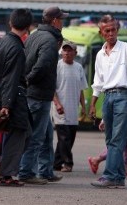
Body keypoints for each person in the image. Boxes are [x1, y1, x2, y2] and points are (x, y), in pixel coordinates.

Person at [89, 14, 127, 189]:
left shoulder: (125, 48)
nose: (111, 33)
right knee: (110, 139)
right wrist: (93, 103)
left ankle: (110, 176)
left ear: (117, 30)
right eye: (107, 30)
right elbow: (98, 81)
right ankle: (119, 177)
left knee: (117, 139)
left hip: (123, 96)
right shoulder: (100, 54)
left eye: (114, 29)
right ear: (101, 32)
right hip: (107, 98)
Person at [18, 6, 66, 185]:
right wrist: (29, 80)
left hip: (36, 94)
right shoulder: (49, 40)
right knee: (36, 136)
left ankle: (45, 170)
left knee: (46, 135)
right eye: (61, 19)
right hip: (39, 95)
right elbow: (42, 66)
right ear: (54, 21)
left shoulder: (35, 36)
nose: (63, 23)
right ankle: (26, 172)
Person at [0, 8, 33, 187]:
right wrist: (6, 103)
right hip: (14, 96)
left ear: (10, 23)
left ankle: (5, 165)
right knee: (21, 132)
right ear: (28, 27)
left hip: (1, 93)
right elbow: (11, 77)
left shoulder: (1, 42)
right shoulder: (16, 48)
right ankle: (6, 174)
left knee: (25, 131)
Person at [52, 41, 88, 173]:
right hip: (60, 109)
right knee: (64, 137)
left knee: (69, 138)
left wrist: (83, 107)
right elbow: (52, 88)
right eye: (64, 50)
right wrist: (57, 103)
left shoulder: (78, 67)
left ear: (75, 53)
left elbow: (81, 89)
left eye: (70, 50)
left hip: (73, 109)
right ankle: (68, 163)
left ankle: (56, 163)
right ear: (61, 52)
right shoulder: (57, 66)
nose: (67, 53)